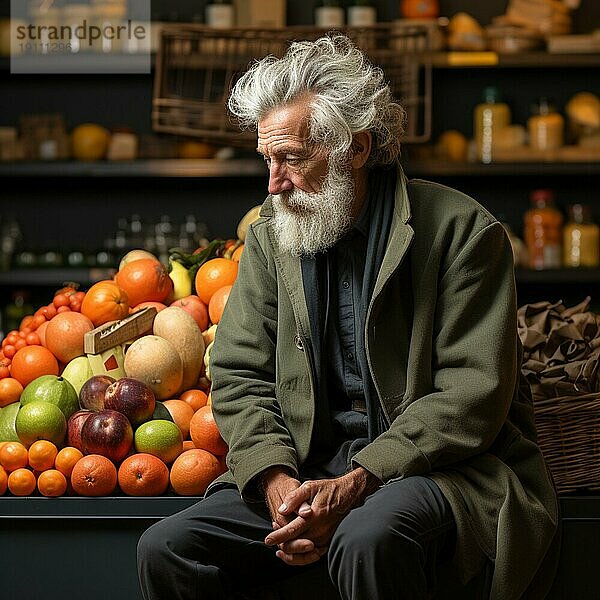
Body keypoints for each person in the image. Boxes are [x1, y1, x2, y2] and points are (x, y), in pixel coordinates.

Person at [137, 34, 559, 600]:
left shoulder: (463, 232)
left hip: (435, 469)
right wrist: (276, 480)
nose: (273, 183)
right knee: (166, 547)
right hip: (305, 466)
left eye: (292, 158)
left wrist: (359, 481)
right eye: (268, 158)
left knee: (368, 536)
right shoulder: (271, 237)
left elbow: (471, 395)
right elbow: (239, 374)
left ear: (355, 149)